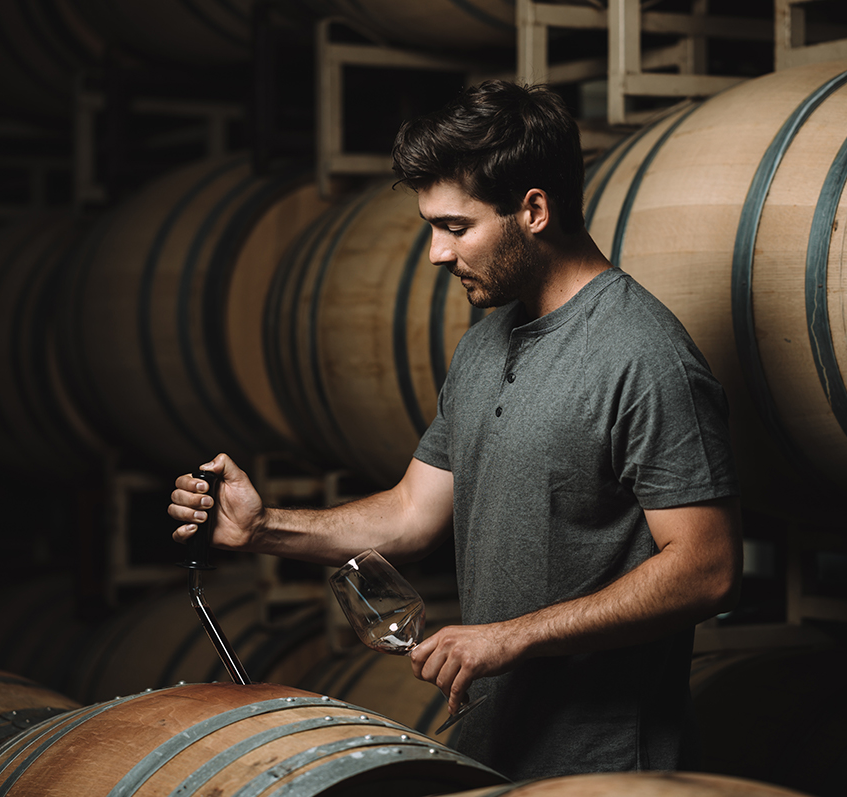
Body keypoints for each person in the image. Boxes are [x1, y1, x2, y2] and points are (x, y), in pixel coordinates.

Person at [169, 79, 742, 780]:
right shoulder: (484, 345)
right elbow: (413, 514)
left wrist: (511, 638)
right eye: (431, 228)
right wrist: (264, 527)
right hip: (496, 750)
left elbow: (707, 567)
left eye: (455, 226)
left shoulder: (644, 355)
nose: (437, 253)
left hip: (609, 767)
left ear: (533, 209)